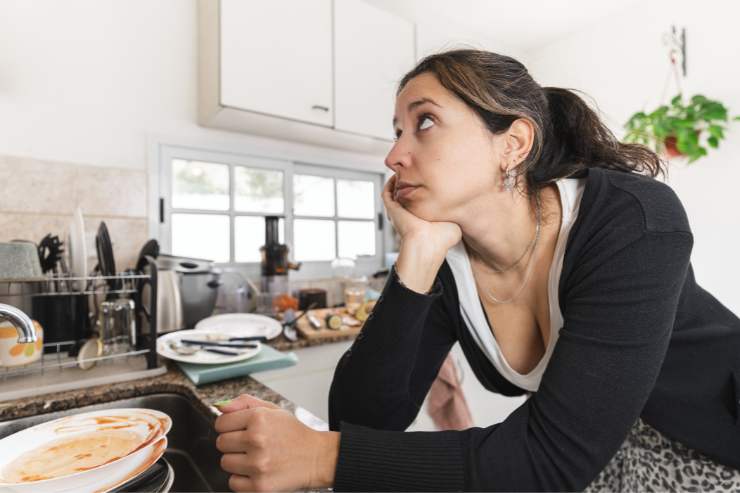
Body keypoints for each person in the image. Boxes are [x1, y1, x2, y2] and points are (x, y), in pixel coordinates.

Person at [214, 49, 740, 492]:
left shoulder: (633, 219)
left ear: (512, 144)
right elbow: (361, 421)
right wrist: (417, 255)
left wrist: (321, 458)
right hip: (598, 457)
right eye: (397, 131)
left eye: (424, 122)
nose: (394, 155)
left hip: (712, 446)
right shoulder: (451, 260)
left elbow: (551, 458)